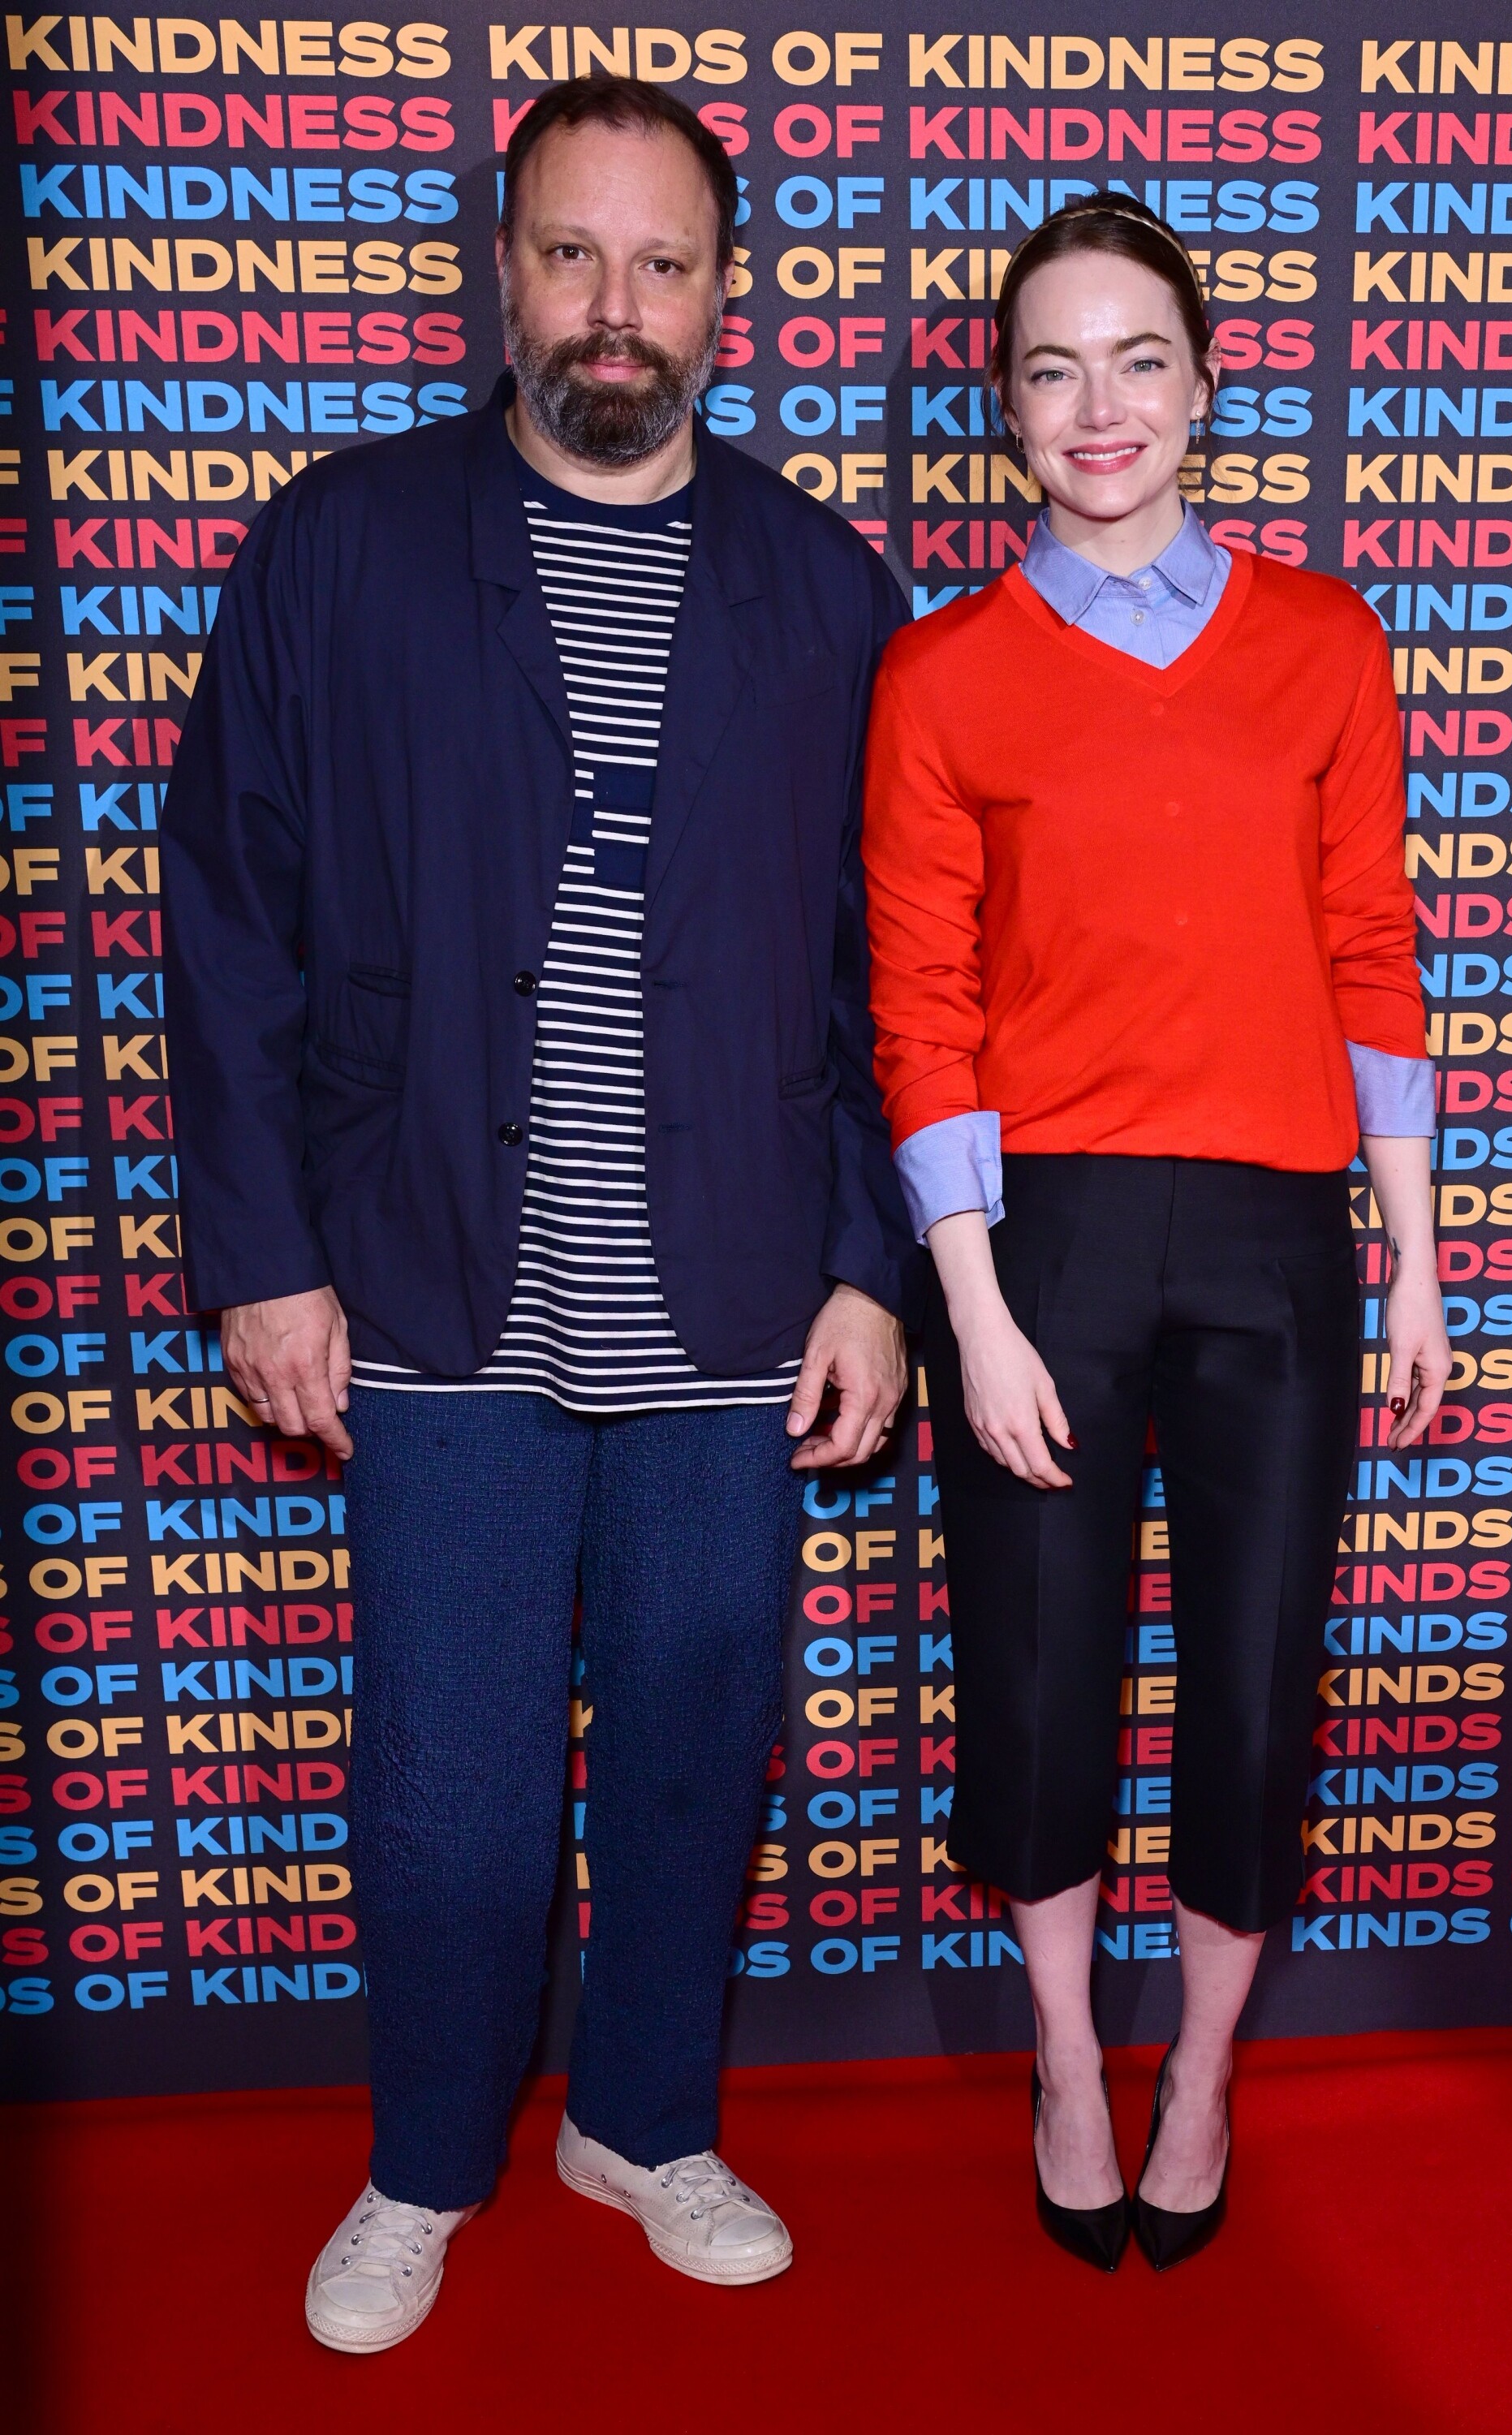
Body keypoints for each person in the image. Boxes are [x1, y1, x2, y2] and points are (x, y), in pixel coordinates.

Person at [162, 75, 916, 2351]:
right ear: (501, 267)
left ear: (725, 294)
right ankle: (424, 2161)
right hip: (428, 1282)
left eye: (661, 264)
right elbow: (232, 923)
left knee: (693, 1757)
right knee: (453, 1792)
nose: (615, 307)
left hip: (730, 1292)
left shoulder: (824, 586)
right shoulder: (344, 542)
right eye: (573, 253)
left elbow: (891, 974)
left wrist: (870, 1267)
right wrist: (262, 1255)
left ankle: (646, 2122)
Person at [862, 192, 1450, 2273]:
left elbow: (1372, 947)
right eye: (1053, 367)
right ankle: (1063, 2060)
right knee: (1034, 1678)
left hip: (1281, 1240)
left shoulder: (1325, 642)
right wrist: (973, 1308)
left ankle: (1200, 2069)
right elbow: (922, 1006)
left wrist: (1416, 1256)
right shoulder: (939, 674)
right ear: (1008, 408)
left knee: (1257, 1683)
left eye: (1136, 360)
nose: (1097, 405)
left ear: (1204, 386)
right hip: (1045, 1251)